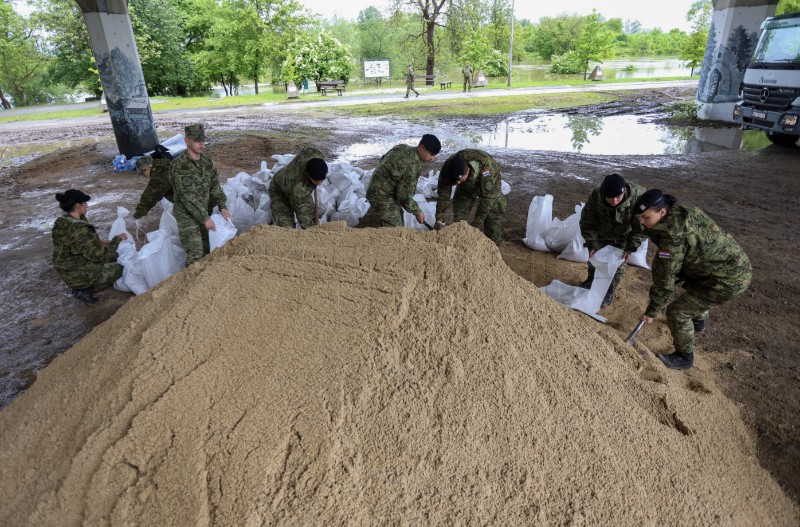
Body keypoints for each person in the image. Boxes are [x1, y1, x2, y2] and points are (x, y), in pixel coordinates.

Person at [634, 189, 752, 370]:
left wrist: (652, 311)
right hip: (727, 265)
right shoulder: (683, 212)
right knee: (692, 291)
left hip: (728, 279)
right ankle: (697, 323)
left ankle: (684, 357)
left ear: (662, 212)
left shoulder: (673, 238)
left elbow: (665, 282)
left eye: (646, 217)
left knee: (676, 312)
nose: (642, 222)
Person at [578, 173, 647, 307]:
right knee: (595, 257)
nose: (615, 201)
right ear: (603, 194)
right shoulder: (596, 196)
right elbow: (587, 222)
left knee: (618, 263)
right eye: (610, 198)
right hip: (603, 231)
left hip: (626, 234)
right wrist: (592, 244)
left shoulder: (639, 197)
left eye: (618, 197)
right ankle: (591, 281)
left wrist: (630, 247)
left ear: (625, 191)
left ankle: (609, 289)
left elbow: (642, 229)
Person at [169, 123, 231, 267]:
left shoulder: (207, 162)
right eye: (197, 141)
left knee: (208, 250)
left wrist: (223, 206)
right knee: (196, 254)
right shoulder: (179, 165)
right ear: (187, 141)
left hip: (203, 213)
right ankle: (191, 286)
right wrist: (205, 218)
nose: (201, 144)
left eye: (203, 140)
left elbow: (215, 185)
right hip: (187, 216)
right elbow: (186, 197)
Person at [52, 189, 127, 304]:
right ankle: (84, 289)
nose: (87, 206)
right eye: (85, 203)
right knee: (121, 268)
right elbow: (101, 257)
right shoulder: (81, 229)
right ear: (78, 205)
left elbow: (74, 244)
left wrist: (99, 242)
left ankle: (81, 285)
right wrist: (117, 240)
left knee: (115, 256)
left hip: (67, 271)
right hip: (79, 275)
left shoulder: (62, 222)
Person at [366, 134, 441, 227]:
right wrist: (417, 211)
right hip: (381, 196)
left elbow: (383, 160)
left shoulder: (402, 147)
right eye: (431, 154)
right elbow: (404, 196)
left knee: (399, 213)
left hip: (375, 188)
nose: (432, 158)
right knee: (396, 228)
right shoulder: (412, 166)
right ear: (421, 148)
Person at [434, 149, 505, 246]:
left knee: (492, 218)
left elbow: (487, 199)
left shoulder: (486, 169)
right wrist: (439, 219)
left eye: (460, 179)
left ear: (467, 171)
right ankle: (459, 245)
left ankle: (494, 248)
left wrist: (475, 226)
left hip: (490, 187)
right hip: (466, 187)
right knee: (459, 219)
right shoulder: (449, 167)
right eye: (455, 181)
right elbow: (443, 194)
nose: (457, 183)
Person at [268, 147, 328, 229]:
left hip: (291, 181)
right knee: (286, 228)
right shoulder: (300, 188)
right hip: (279, 190)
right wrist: (312, 232)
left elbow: (309, 150)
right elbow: (303, 216)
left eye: (321, 180)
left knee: (311, 212)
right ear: (308, 175)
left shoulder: (316, 156)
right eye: (316, 181)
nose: (319, 184)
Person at [132, 154, 174, 219]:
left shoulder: (160, 173)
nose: (144, 176)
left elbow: (151, 195)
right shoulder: (163, 166)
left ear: (145, 169)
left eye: (143, 173)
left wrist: (139, 213)